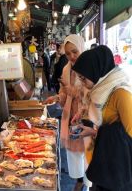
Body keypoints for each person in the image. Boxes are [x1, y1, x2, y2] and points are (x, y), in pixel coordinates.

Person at [72, 45, 132, 191]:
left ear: (96, 71)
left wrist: (98, 133)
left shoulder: (121, 94)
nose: (81, 82)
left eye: (83, 78)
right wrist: (92, 131)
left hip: (117, 170)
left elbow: (128, 136)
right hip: (102, 164)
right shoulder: (99, 91)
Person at [44, 34, 89, 191]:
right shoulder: (66, 69)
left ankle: (88, 182)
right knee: (73, 150)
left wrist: (73, 91)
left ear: (81, 48)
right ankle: (79, 179)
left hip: (86, 115)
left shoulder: (90, 66)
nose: (71, 56)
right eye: (68, 53)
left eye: (74, 51)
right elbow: (64, 93)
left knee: (88, 149)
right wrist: (56, 97)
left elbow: (91, 93)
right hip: (70, 116)